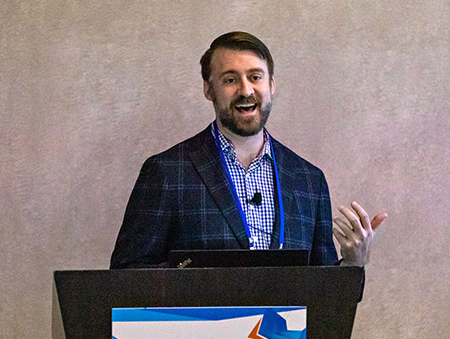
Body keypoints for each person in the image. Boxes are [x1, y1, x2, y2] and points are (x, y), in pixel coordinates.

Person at [110, 31, 387, 269]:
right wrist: (199, 279)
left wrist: (353, 263)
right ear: (209, 89)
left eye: (255, 77)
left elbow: (324, 291)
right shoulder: (167, 172)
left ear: (271, 85)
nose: (245, 91)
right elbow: (127, 275)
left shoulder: (309, 180)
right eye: (230, 80)